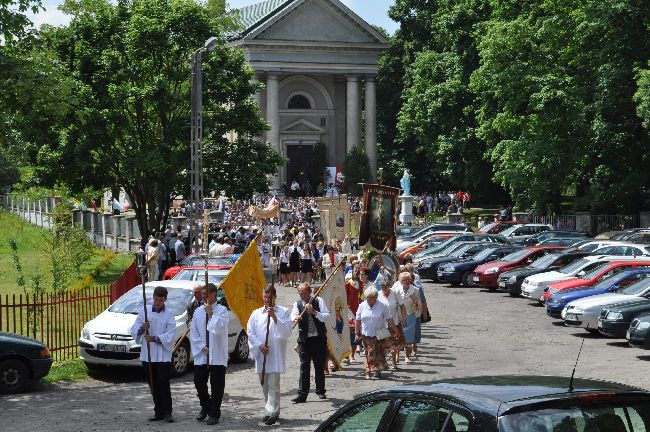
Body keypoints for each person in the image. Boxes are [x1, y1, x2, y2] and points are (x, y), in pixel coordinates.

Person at [130, 286, 176, 423]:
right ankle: (158, 411)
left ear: (165, 300)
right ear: (153, 297)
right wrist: (141, 328)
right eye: (156, 299)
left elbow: (171, 333)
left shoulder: (169, 314)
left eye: (160, 300)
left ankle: (168, 412)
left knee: (163, 383)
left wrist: (156, 338)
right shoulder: (144, 312)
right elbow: (134, 330)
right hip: (148, 355)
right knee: (153, 384)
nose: (157, 302)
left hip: (162, 355)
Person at [247, 286, 292, 426]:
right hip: (262, 353)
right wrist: (260, 346)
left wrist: (275, 317)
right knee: (264, 384)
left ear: (274, 297)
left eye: (269, 297)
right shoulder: (256, 313)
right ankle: (272, 410)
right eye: (265, 297)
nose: (267, 300)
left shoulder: (283, 312)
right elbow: (250, 332)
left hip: (275, 354)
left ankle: (271, 412)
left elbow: (287, 331)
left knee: (274, 384)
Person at [189, 283, 229, 425]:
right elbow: (193, 331)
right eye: (202, 294)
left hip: (217, 353)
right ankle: (206, 406)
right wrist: (201, 346)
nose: (204, 297)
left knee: (217, 385)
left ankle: (214, 413)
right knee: (199, 381)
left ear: (213, 294)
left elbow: (219, 328)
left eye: (206, 294)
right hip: (202, 353)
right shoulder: (198, 311)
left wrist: (211, 313)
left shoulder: (222, 310)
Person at [290, 283, 330, 403]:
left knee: (319, 366)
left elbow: (327, 317)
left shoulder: (318, 301)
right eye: (300, 293)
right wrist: (296, 318)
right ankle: (302, 394)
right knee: (304, 367)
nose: (301, 295)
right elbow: (292, 316)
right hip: (304, 341)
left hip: (318, 339)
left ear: (309, 292)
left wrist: (315, 312)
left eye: (303, 293)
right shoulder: (297, 304)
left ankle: (320, 391)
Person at [355, 287, 398, 380]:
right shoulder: (362, 305)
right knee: (369, 353)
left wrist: (395, 329)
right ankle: (368, 370)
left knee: (377, 353)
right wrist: (356, 333)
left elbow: (389, 319)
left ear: (375, 297)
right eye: (367, 298)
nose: (369, 300)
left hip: (378, 334)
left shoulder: (382, 305)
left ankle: (376, 370)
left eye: (371, 298)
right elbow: (357, 321)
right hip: (366, 334)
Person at [377, 278, 407, 370]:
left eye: (386, 287)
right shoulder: (378, 294)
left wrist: (404, 318)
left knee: (395, 344)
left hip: (395, 322)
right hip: (382, 324)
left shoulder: (395, 292)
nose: (384, 289)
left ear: (389, 286)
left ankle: (394, 362)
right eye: (382, 287)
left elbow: (402, 306)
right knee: (383, 344)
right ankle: (383, 363)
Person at [395, 272, 420, 363]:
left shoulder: (415, 290)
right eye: (403, 280)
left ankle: (407, 356)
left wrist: (415, 300)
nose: (406, 281)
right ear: (400, 281)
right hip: (399, 317)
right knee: (397, 338)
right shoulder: (396, 290)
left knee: (408, 339)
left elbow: (419, 305)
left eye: (407, 280)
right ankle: (396, 356)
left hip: (410, 316)